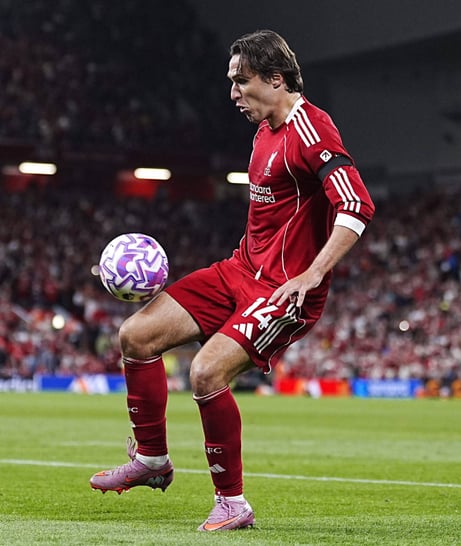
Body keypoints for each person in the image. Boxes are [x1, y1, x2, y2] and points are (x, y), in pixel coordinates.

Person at [89, 29, 375, 531]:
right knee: (136, 335)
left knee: (205, 372)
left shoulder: (312, 130)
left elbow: (356, 206)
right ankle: (152, 459)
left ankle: (232, 503)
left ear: (276, 78)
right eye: (232, 82)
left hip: (283, 290)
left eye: (242, 81)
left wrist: (312, 274)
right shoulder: (264, 130)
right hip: (238, 270)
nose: (233, 93)